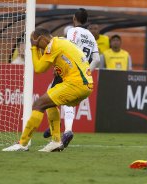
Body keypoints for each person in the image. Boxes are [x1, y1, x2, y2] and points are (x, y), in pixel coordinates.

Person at [2, 28, 93, 152]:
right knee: (50, 104)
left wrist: (34, 48)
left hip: (76, 83)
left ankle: (22, 143)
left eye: (38, 44)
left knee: (39, 104)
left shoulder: (52, 45)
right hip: (84, 84)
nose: (40, 49)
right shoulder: (60, 41)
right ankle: (56, 141)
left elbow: (39, 68)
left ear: (43, 39)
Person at [43, 8, 100, 148]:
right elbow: (97, 59)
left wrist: (59, 67)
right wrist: (86, 72)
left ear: (74, 18)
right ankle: (65, 129)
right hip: (81, 74)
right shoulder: (91, 36)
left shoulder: (72, 31)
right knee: (66, 101)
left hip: (69, 70)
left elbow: (69, 49)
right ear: (86, 21)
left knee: (49, 96)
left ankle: (57, 129)